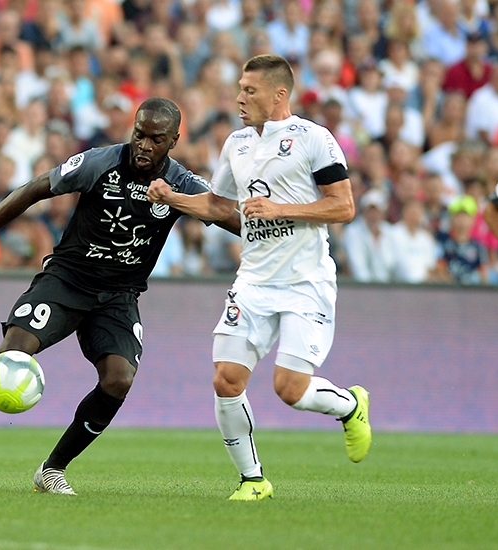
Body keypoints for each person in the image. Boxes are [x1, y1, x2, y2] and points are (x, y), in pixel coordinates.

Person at [0, 97, 241, 495]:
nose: (144, 145)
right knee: (13, 350)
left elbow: (229, 216)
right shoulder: (101, 162)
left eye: (155, 139)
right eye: (139, 134)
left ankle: (53, 468)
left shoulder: (182, 184)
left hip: (118, 296)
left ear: (174, 140)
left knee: (119, 380)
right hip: (67, 282)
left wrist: (275, 229)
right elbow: (33, 190)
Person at [146, 54, 372, 501]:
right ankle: (253, 480)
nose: (239, 98)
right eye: (239, 89)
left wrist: (280, 208)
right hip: (253, 280)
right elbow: (218, 206)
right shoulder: (237, 144)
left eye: (250, 91)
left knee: (289, 390)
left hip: (305, 282)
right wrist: (173, 197)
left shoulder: (314, 139)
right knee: (226, 379)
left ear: (279, 94)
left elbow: (343, 207)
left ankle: (350, 405)